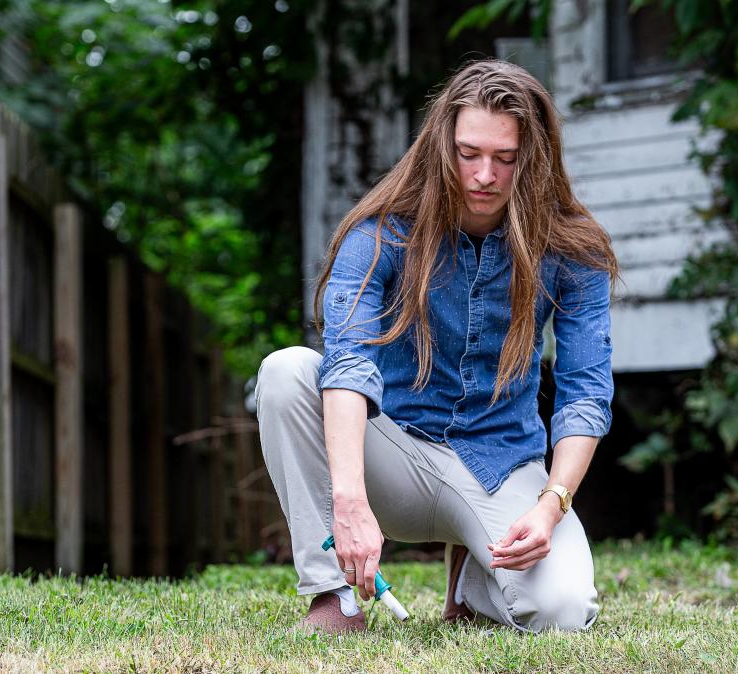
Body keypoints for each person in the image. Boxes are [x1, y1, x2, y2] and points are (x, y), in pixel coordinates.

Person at [255, 59, 618, 634]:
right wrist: (348, 502)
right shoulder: (379, 232)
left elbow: (585, 393)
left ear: (535, 159)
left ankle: (474, 584)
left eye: (506, 158)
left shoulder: (572, 251)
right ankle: (334, 600)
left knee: (563, 611)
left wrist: (551, 505)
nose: (484, 175)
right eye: (468, 153)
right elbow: (347, 362)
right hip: (392, 451)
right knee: (287, 370)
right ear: (440, 146)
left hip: (502, 465)